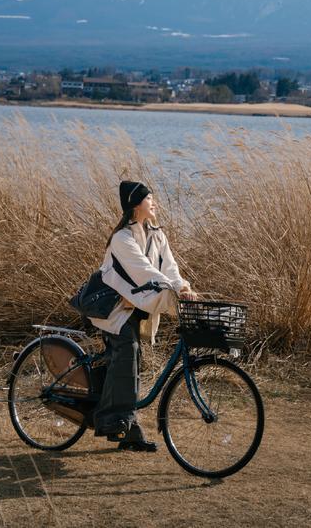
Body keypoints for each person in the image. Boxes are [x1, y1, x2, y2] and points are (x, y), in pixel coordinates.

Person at [91, 180, 197, 452]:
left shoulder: (157, 234)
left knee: (133, 360)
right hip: (114, 308)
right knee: (129, 350)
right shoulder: (122, 239)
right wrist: (173, 288)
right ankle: (116, 422)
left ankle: (129, 427)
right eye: (149, 198)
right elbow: (144, 273)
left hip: (136, 306)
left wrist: (182, 286)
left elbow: (170, 268)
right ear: (135, 204)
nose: (154, 202)